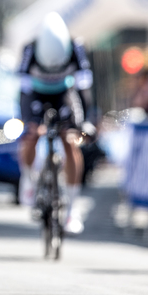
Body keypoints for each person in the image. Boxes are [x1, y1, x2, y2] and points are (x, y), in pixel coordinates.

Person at [16, 12, 94, 235]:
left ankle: (73, 206)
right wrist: (28, 122)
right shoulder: (30, 49)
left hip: (64, 94)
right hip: (36, 94)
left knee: (70, 141)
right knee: (31, 134)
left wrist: (85, 123)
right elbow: (23, 91)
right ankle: (28, 179)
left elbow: (84, 88)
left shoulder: (76, 48)